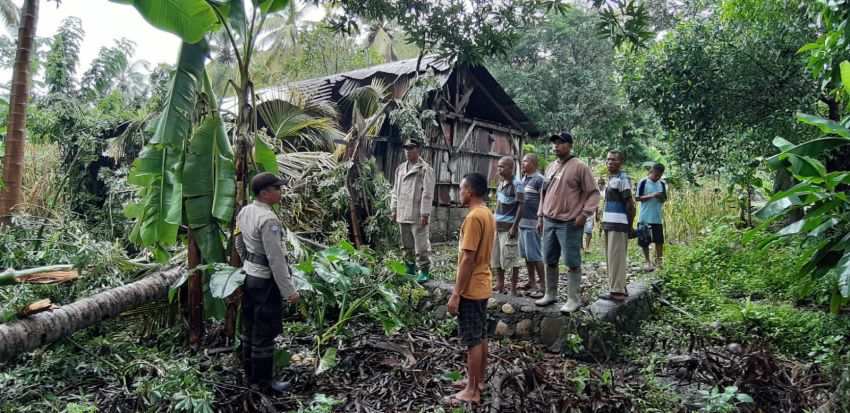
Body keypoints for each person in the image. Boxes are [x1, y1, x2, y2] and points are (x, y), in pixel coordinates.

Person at [235, 172, 301, 393]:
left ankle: (249, 375)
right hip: (265, 281)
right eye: (277, 189)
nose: (281, 192)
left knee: (250, 327)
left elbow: (238, 241)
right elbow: (276, 259)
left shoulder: (245, 211)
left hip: (249, 276)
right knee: (264, 331)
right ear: (265, 193)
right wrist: (288, 290)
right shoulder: (269, 220)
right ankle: (265, 383)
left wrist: (248, 263)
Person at [444, 172, 496, 407]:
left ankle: (472, 390)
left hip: (471, 287)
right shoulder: (487, 213)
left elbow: (468, 259)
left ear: (470, 191)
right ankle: (479, 380)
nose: (459, 192)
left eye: (461, 188)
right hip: (483, 283)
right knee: (481, 334)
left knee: (473, 340)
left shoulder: (474, 217)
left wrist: (456, 293)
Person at [535, 132, 601, 313]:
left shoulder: (580, 167)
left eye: (561, 143)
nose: (556, 146)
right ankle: (550, 294)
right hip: (549, 220)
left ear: (570, 146)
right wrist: (540, 217)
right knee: (549, 259)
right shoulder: (550, 167)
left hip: (569, 222)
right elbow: (544, 194)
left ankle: (573, 299)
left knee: (572, 261)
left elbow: (594, 193)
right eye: (554, 143)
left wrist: (584, 214)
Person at [390, 138, 436, 282]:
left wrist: (424, 213)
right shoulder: (400, 168)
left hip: (417, 214)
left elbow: (427, 194)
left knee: (421, 245)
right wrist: (393, 208)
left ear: (419, 149)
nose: (408, 151)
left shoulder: (425, 169)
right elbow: (395, 191)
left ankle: (424, 270)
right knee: (406, 244)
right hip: (403, 212)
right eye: (406, 148)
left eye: (411, 148)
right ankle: (409, 268)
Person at [600, 151, 636, 301]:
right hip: (610, 223)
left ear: (621, 162)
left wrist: (630, 226)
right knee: (612, 257)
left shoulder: (623, 179)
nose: (610, 162)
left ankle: (617, 291)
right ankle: (621, 287)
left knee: (616, 257)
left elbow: (630, 205)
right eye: (608, 159)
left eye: (614, 160)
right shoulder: (612, 179)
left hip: (619, 224)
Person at [492, 156, 524, 295]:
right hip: (497, 225)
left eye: (502, 166)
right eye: (498, 166)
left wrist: (515, 226)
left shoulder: (517, 184)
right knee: (497, 256)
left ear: (511, 168)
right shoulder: (501, 182)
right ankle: (500, 283)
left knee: (511, 258)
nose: (499, 169)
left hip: (509, 227)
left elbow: (521, 206)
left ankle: (513, 287)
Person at [518, 153, 545, 294]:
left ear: (533, 163)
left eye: (525, 161)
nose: (522, 163)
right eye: (522, 161)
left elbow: (543, 200)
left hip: (533, 222)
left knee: (535, 254)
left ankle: (543, 285)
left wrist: (540, 219)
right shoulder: (523, 179)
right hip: (522, 222)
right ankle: (531, 280)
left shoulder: (539, 179)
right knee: (527, 255)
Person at [635, 163, 668, 270]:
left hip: (657, 217)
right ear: (651, 171)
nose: (657, 177)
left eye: (659, 175)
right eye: (655, 174)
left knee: (659, 241)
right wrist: (652, 195)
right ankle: (647, 261)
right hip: (645, 217)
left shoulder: (662, 184)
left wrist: (661, 198)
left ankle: (659, 260)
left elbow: (664, 199)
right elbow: (637, 198)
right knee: (645, 240)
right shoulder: (644, 182)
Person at [582, 177, 606, 254]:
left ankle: (587, 247)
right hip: (580, 212)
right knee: (580, 231)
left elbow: (596, 204)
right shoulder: (581, 190)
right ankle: (581, 247)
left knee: (589, 230)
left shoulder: (596, 192)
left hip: (591, 213)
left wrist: (597, 214)